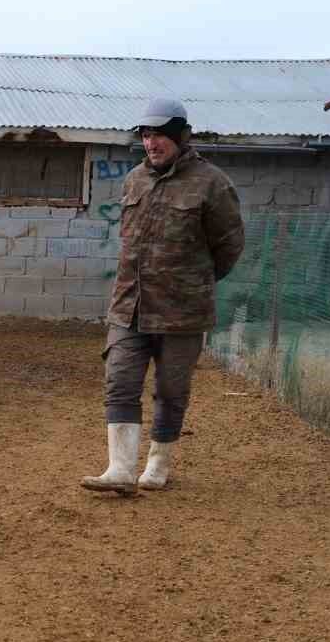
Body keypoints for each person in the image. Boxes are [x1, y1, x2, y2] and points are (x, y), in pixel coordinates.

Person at [83, 97, 245, 494]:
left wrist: (194, 281)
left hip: (183, 311)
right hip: (130, 304)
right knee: (119, 380)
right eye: (146, 135)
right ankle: (120, 470)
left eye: (159, 135)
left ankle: (158, 463)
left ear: (180, 136)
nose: (151, 143)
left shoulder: (212, 183)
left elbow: (230, 245)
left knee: (171, 390)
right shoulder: (134, 179)